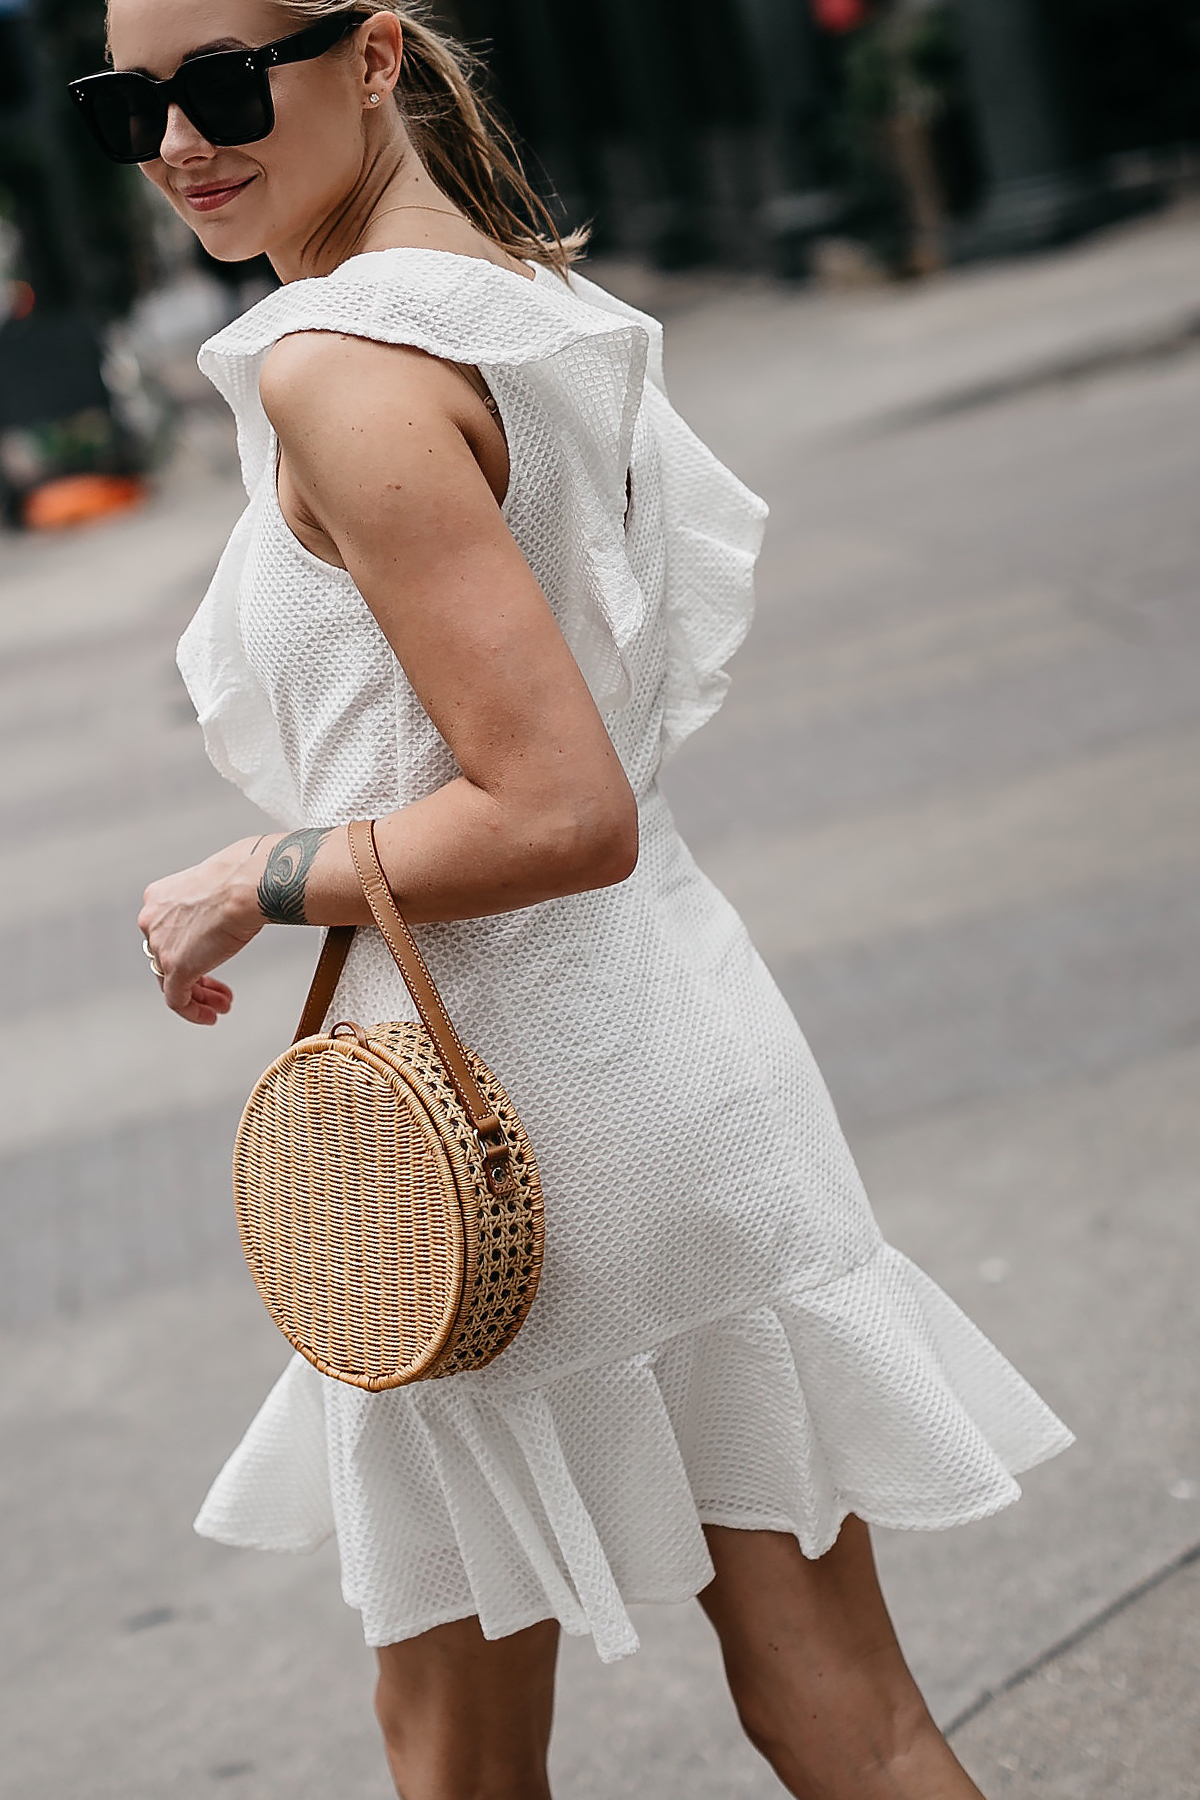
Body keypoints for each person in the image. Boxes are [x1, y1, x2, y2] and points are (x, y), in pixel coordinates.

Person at [84, 1, 1072, 1792]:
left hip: (481, 1146)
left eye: (224, 84)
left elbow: (556, 803)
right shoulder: (523, 294)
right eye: (128, 101)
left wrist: (261, 873)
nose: (177, 143)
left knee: (453, 1752)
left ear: (375, 56)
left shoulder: (337, 359)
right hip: (679, 1057)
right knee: (846, 1705)